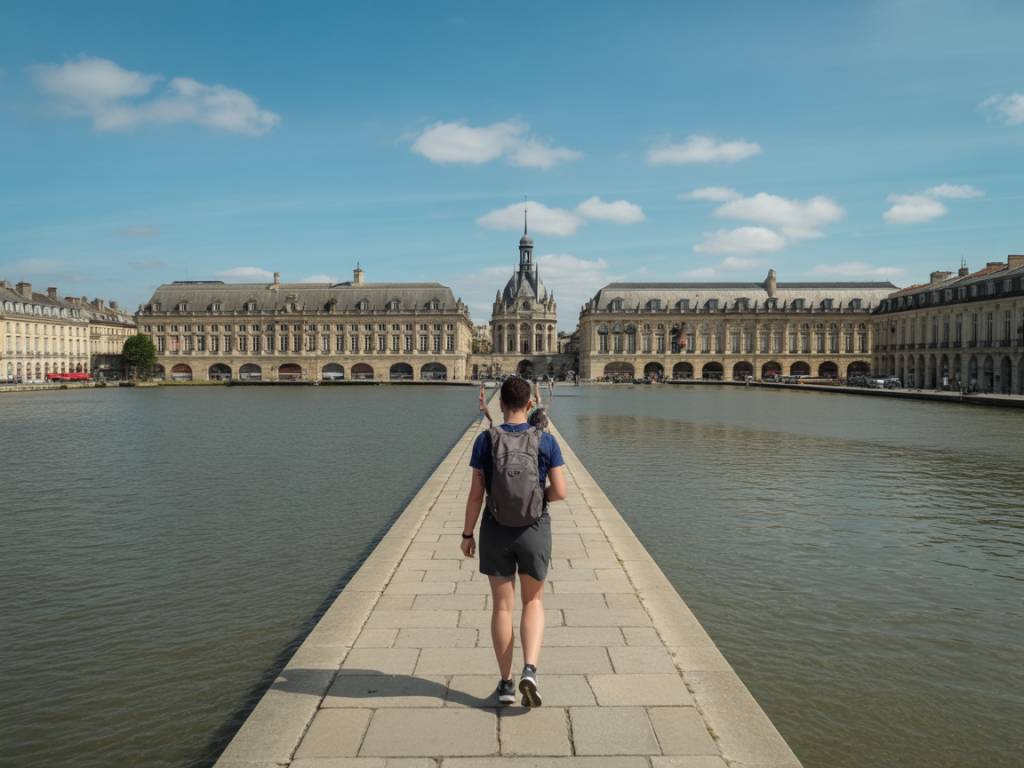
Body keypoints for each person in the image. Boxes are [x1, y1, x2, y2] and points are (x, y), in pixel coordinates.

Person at [461, 376, 566, 707]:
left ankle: (506, 684)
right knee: (533, 602)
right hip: (534, 528)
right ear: (530, 405)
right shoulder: (546, 440)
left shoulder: (485, 440)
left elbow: (476, 495)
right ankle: (530, 670)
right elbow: (561, 492)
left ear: (501, 404)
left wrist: (467, 534)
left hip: (495, 527)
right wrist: (538, 500)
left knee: (502, 606)